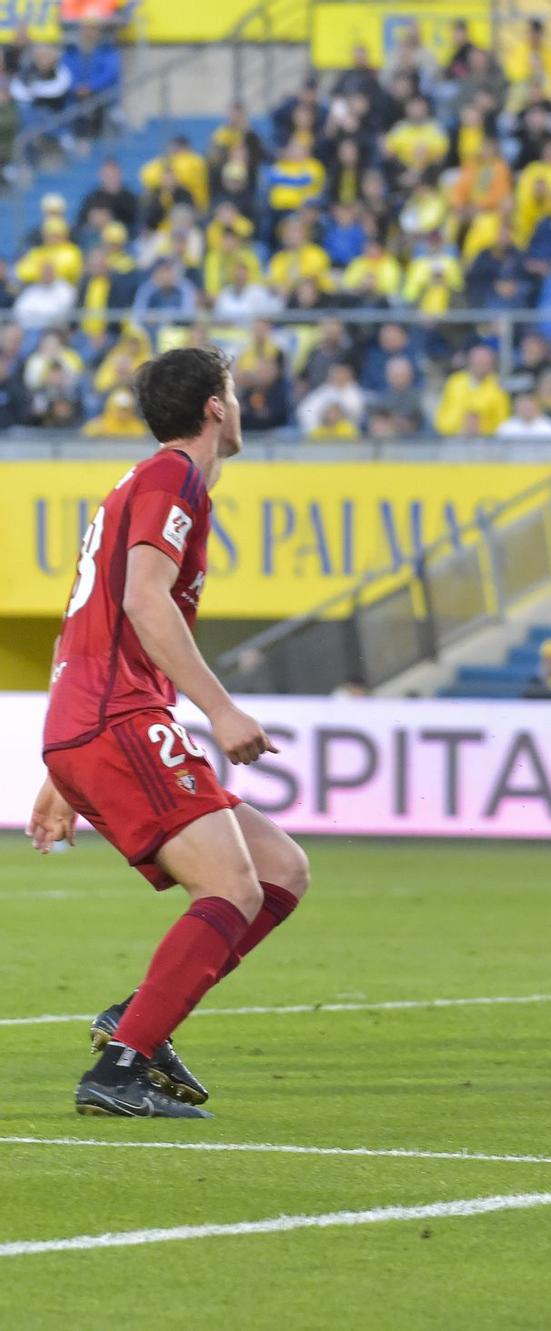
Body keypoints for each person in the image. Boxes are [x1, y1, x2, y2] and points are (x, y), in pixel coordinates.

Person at [29, 346, 310, 1118]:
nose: (242, 404)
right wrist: (222, 710)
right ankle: (121, 1067)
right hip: (115, 716)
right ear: (216, 407)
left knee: (281, 869)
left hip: (97, 718)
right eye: (234, 392)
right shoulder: (171, 476)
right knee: (232, 884)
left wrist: (61, 773)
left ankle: (140, 1018)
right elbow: (143, 603)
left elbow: (89, 616)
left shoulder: (148, 485)